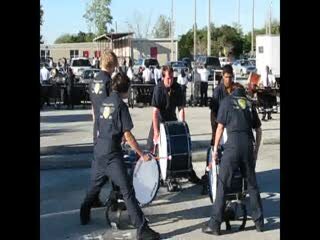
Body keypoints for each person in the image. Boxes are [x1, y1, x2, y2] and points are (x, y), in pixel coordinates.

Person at [80, 72, 160, 240]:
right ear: (126, 89)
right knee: (127, 190)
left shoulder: (105, 103)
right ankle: (142, 229)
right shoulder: (121, 106)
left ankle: (84, 211)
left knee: (96, 185)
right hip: (111, 154)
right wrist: (141, 154)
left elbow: (104, 126)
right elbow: (128, 135)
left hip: (99, 150)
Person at [202, 83, 263, 235]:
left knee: (222, 184)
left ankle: (215, 224)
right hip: (248, 145)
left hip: (233, 147)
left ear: (232, 90)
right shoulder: (249, 102)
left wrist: (215, 149)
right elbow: (259, 129)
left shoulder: (227, 102)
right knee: (252, 185)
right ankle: (259, 222)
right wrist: (255, 150)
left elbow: (220, 128)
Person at [146, 65, 201, 184]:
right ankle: (154, 177)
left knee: (181, 146)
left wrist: (182, 126)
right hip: (159, 121)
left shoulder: (178, 88)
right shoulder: (158, 89)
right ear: (162, 78)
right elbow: (155, 112)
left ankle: (188, 171)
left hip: (171, 120)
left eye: (171, 78)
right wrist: (156, 132)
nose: (170, 80)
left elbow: (181, 109)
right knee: (151, 149)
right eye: (168, 78)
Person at [88, 50, 119, 207]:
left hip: (97, 127)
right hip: (107, 128)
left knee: (98, 164)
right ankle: (114, 198)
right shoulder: (109, 82)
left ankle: (93, 196)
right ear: (112, 63)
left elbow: (93, 109)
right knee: (114, 162)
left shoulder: (93, 81)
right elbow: (111, 106)